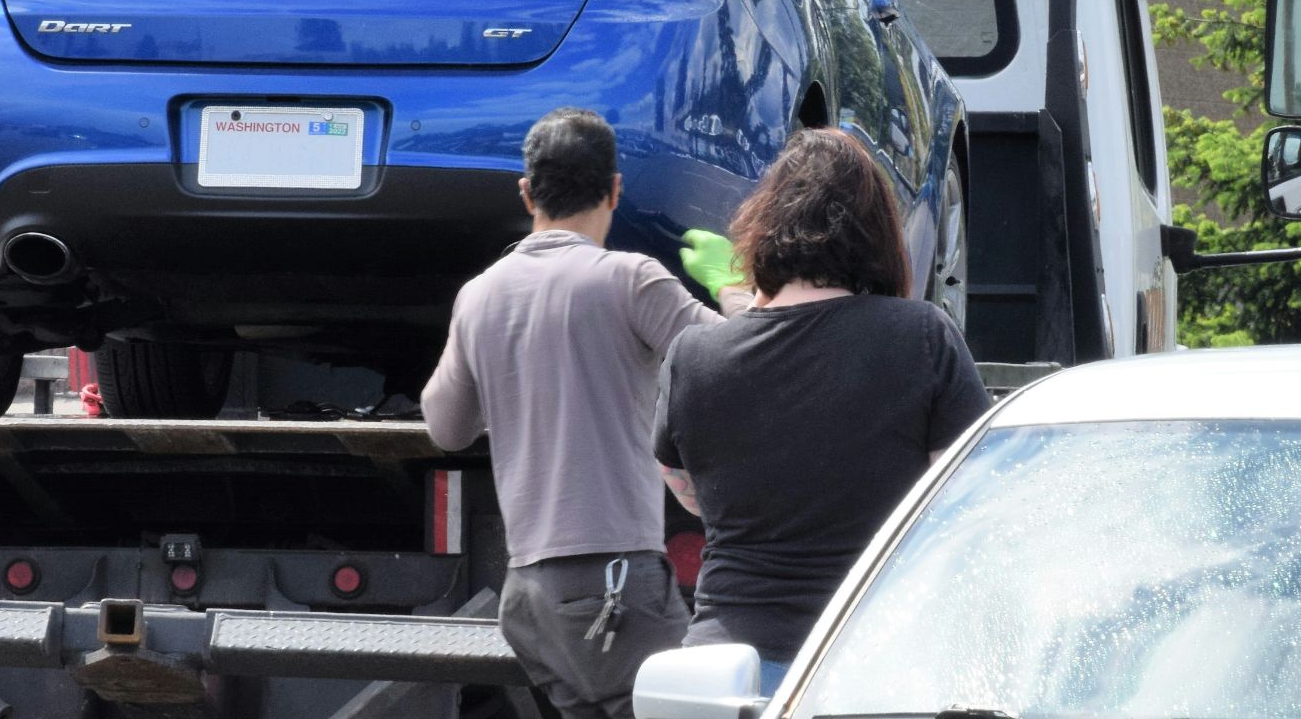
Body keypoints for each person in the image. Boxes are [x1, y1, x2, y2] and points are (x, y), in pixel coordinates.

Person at [421, 107, 750, 719]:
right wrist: (732, 285)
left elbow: (446, 426)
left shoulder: (480, 294)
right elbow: (743, 360)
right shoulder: (628, 279)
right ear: (616, 190)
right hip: (612, 583)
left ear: (526, 192)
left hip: (526, 594)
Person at [653, 127, 991, 686]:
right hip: (871, 665)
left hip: (725, 673)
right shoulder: (920, 337)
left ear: (763, 230)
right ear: (880, 236)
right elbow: (963, 494)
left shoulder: (695, 355)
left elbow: (687, 491)